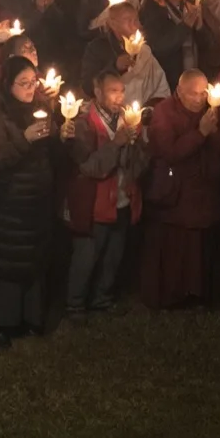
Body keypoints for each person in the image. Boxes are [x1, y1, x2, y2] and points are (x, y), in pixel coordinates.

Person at [0, 58, 59, 346]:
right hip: (7, 203)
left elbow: (49, 147)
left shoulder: (39, 108)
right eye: (24, 83)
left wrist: (59, 130)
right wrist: (24, 139)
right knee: (5, 259)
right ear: (8, 85)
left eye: (34, 82)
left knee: (31, 255)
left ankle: (29, 317)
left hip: (35, 200)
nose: (31, 88)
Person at [141, 70, 220, 309]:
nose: (199, 99)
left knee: (200, 247)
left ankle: (200, 294)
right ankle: (172, 295)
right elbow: (170, 152)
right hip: (175, 192)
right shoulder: (164, 113)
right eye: (193, 94)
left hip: (204, 191)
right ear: (179, 91)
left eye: (203, 93)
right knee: (175, 246)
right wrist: (200, 133)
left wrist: (214, 132)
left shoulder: (210, 111)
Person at [64, 70, 148, 319]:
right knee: (87, 255)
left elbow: (141, 163)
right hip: (95, 203)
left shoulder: (127, 119)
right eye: (113, 91)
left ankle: (102, 298)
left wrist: (136, 146)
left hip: (121, 199)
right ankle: (75, 303)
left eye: (122, 91)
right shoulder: (84, 124)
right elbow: (89, 166)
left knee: (113, 254)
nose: (119, 97)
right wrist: (117, 143)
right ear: (97, 91)